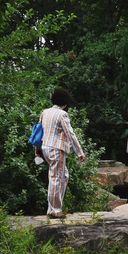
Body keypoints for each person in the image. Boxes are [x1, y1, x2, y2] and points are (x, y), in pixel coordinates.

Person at [39, 87, 86, 219]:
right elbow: (70, 134)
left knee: (63, 175)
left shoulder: (45, 112)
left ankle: (53, 207)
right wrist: (79, 152)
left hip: (45, 148)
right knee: (57, 178)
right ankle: (55, 210)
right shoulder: (62, 115)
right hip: (56, 149)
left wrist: (37, 150)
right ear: (65, 102)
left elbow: (38, 132)